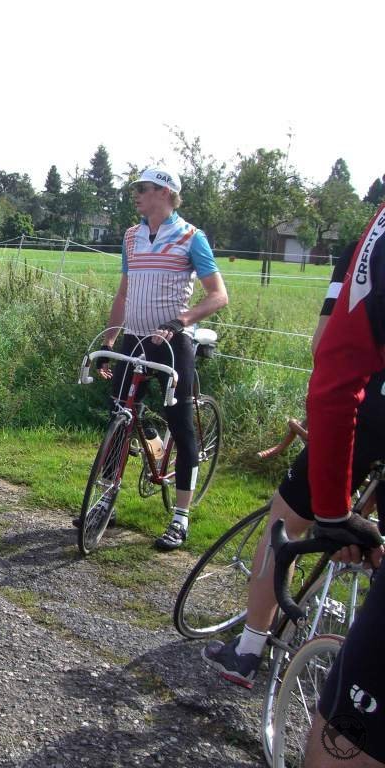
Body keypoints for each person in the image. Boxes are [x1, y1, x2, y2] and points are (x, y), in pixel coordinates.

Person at [201, 238, 385, 689]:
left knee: (284, 522)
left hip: (367, 410)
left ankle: (247, 650)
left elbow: (326, 342)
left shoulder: (368, 243)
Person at [293, 201, 385, 767]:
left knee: (347, 739)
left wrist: (331, 510)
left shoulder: (379, 230)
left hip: (364, 411)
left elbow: (332, 366)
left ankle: (250, 645)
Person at [97, 167, 228, 550]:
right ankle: (106, 500)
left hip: (172, 343)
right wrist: (110, 338)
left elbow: (218, 295)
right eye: (136, 188)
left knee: (182, 427)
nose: (136, 194)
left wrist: (181, 320)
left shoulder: (191, 237)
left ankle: (181, 517)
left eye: (143, 188)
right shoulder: (131, 236)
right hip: (134, 340)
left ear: (165, 193)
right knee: (119, 418)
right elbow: (124, 293)